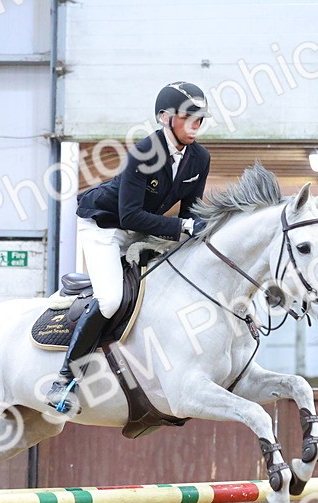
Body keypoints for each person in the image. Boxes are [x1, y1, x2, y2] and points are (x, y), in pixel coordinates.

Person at [46, 81, 213, 412]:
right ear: (165, 118)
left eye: (200, 118)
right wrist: (182, 227)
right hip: (105, 225)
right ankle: (65, 381)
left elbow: (191, 212)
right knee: (111, 300)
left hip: (144, 228)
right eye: (188, 117)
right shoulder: (143, 153)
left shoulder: (200, 158)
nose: (196, 124)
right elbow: (130, 215)